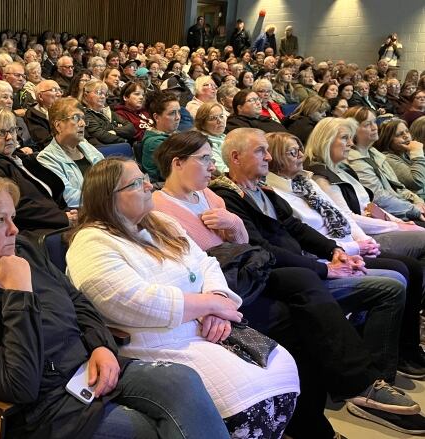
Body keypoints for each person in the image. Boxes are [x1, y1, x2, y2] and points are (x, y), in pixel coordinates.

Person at [0, 171, 232, 439]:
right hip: (50, 411)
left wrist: (100, 345)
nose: (14, 230)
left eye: (13, 217)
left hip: (89, 368)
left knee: (183, 381)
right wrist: (19, 294)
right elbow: (18, 385)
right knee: (151, 432)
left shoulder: (19, 248)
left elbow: (76, 300)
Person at [156, 130, 425, 437]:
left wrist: (236, 228)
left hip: (249, 275)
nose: (211, 165)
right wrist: (235, 239)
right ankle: (355, 388)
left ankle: (332, 412)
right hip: (223, 290)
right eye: (204, 159)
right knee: (302, 291)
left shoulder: (211, 197)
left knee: (305, 318)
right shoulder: (161, 207)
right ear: (178, 163)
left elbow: (247, 246)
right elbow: (195, 263)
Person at [67, 156, 299, 436]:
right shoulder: (91, 242)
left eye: (145, 178)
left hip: (206, 329)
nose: (149, 186)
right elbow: (129, 300)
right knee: (246, 392)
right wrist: (210, 304)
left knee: (280, 366)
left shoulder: (161, 222)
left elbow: (206, 263)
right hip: (157, 342)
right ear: (108, 197)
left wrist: (215, 299)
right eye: (137, 183)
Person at [266, 130, 425, 375]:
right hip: (326, 257)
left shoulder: (304, 182)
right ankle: (379, 369)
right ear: (275, 158)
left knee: (407, 267)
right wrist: (351, 248)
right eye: (292, 152)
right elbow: (305, 235)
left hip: (346, 246)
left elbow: (342, 217)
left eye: (299, 149)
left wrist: (362, 240)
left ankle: (405, 347)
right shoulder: (277, 192)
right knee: (400, 272)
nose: (300, 156)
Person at [0, 108, 73, 233]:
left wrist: (66, 213)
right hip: (26, 230)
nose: (9, 137)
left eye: (12, 130)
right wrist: (61, 218)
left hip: (55, 218)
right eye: (1, 132)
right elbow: (16, 207)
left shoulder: (18, 157)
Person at [344, 107, 425, 224]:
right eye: (367, 124)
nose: (374, 127)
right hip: (389, 217)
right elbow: (378, 198)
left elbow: (398, 187)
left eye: (374, 122)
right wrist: (413, 209)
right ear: (352, 130)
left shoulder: (374, 153)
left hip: (404, 208)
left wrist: (417, 201)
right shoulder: (354, 161)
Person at [36, 97, 103, 208]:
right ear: (58, 126)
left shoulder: (85, 145)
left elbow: (109, 176)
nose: (82, 124)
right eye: (76, 118)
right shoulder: (46, 158)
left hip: (105, 208)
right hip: (83, 215)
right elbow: (68, 197)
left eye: (83, 118)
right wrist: (106, 196)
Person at [377, 118, 425, 199]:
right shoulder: (388, 159)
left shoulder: (406, 153)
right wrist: (417, 153)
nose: (406, 136)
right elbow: (417, 182)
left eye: (407, 131)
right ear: (387, 139)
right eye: (399, 134)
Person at [82, 79, 135, 146]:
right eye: (99, 92)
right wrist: (125, 140)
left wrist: (114, 131)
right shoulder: (85, 114)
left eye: (105, 94)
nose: (103, 96)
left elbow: (131, 128)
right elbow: (101, 135)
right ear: (86, 95)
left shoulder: (108, 112)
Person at [141, 91, 181, 181]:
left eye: (179, 112)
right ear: (156, 117)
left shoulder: (175, 133)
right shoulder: (154, 142)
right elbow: (179, 170)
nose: (178, 117)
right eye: (172, 113)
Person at [24, 79, 62, 150]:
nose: (59, 94)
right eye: (54, 90)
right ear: (40, 96)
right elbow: (45, 142)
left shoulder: (65, 111)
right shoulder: (33, 115)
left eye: (60, 90)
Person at [194, 102, 228, 173]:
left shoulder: (223, 136)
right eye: (213, 118)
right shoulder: (205, 143)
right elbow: (221, 170)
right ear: (202, 124)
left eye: (221, 116)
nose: (220, 121)